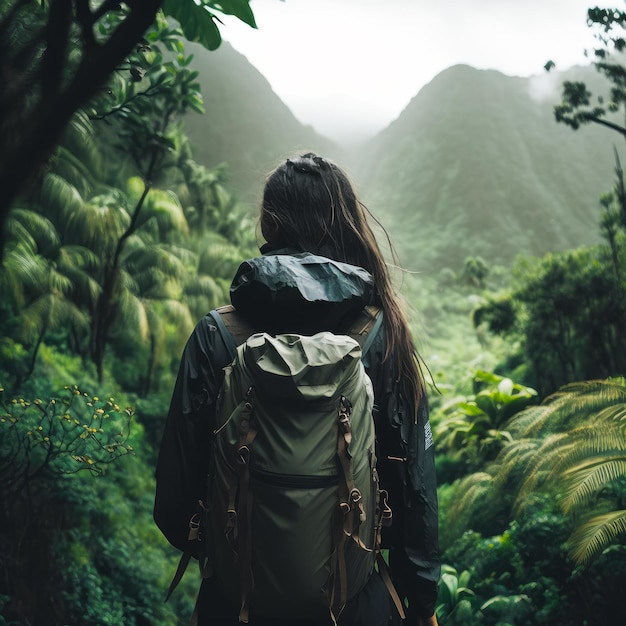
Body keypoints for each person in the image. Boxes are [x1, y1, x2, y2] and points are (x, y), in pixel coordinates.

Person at [154, 153, 440, 625]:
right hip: (355, 606)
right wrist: (422, 605)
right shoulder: (379, 334)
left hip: (236, 606)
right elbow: (416, 491)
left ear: (269, 223)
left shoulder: (217, 335)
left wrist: (239, 551)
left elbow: (173, 503)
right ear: (345, 221)